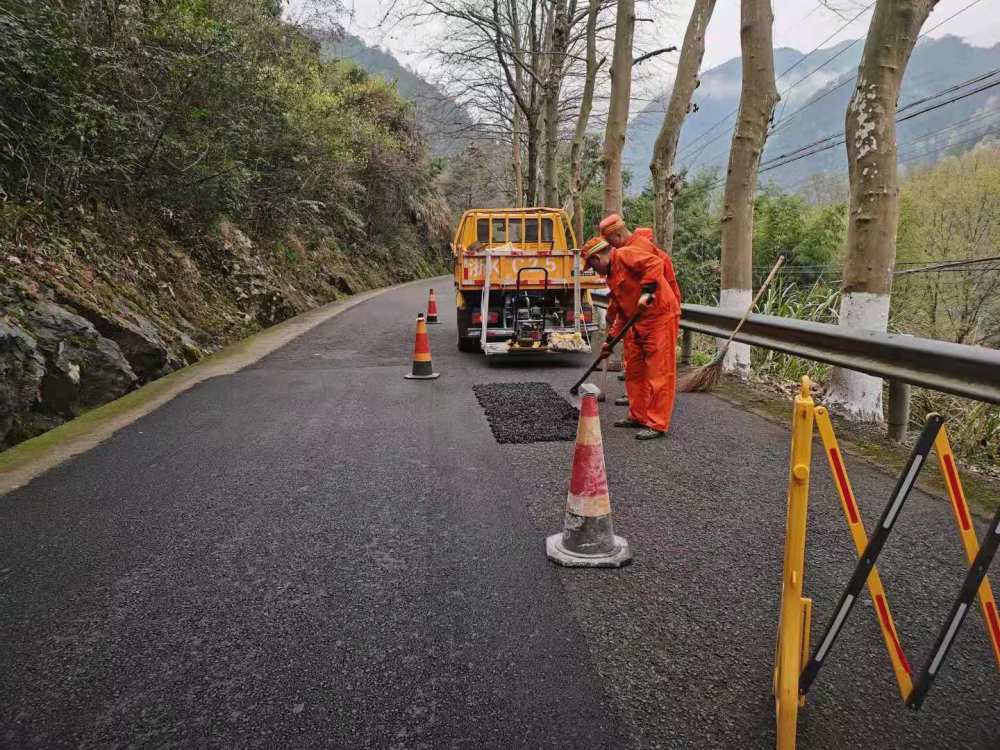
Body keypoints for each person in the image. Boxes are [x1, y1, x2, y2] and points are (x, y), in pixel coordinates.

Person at [582, 214, 680, 439]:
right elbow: (622, 314)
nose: (594, 270)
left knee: (659, 373)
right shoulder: (611, 276)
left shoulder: (626, 255)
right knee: (634, 372)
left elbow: (655, 263)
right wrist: (610, 341)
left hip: (659, 318)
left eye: (593, 264)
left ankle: (657, 423)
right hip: (636, 322)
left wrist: (646, 292)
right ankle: (637, 415)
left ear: (599, 257)